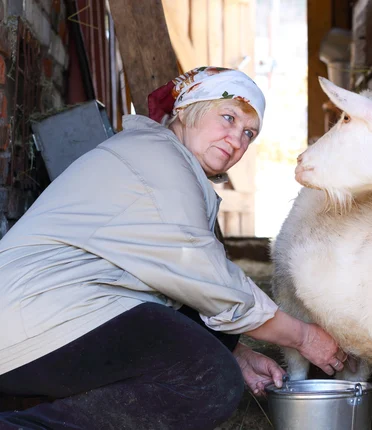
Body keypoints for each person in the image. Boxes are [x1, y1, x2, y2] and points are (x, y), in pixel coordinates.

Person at [0, 66, 349, 429]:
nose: (237, 140)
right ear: (187, 110)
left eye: (249, 133)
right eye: (227, 118)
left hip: (53, 311)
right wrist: (305, 336)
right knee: (208, 379)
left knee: (207, 346)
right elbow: (213, 283)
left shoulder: (164, 160)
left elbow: (184, 290)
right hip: (33, 316)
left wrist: (238, 354)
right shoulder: (159, 165)